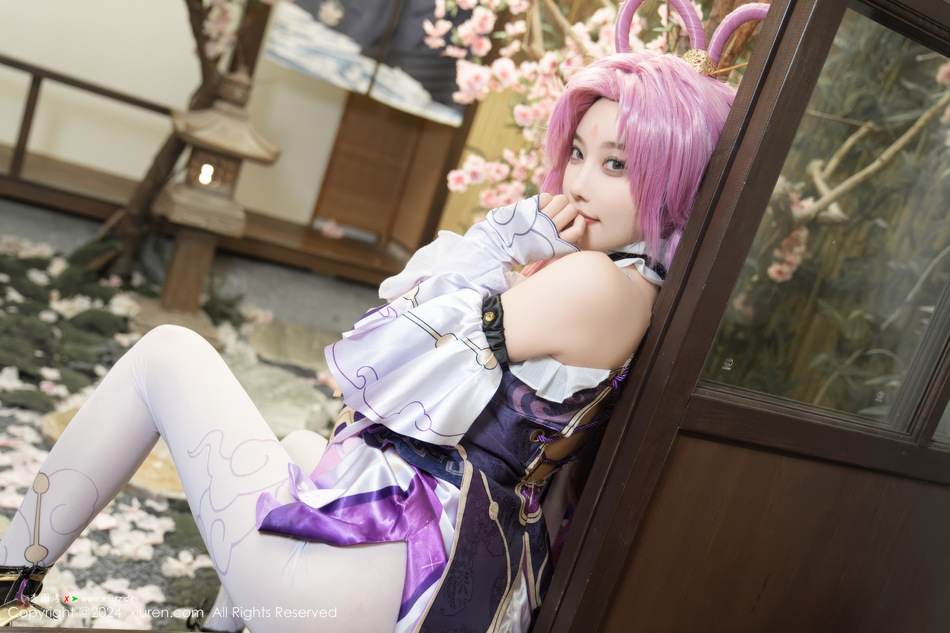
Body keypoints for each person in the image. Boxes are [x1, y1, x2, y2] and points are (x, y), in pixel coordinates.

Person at [0, 1, 768, 631]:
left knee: (168, 352)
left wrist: (503, 238)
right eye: (578, 153)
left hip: (383, 581)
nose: (579, 182)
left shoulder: (594, 282)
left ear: (674, 179)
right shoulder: (632, 285)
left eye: (618, 164)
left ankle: (6, 582)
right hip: (432, 567)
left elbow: (381, 353)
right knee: (301, 445)